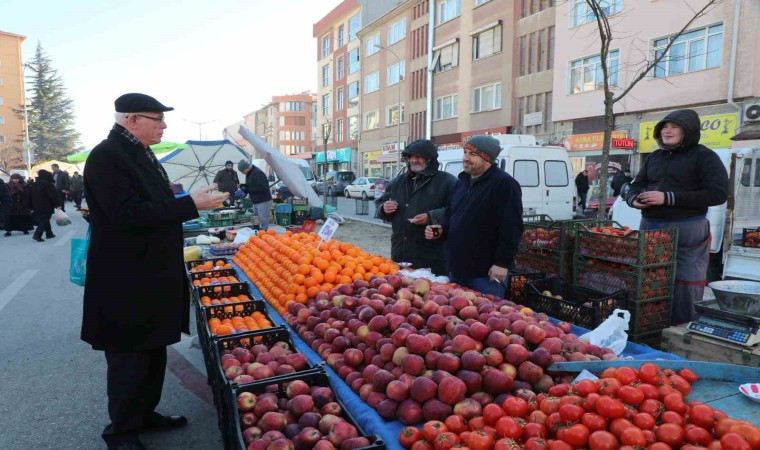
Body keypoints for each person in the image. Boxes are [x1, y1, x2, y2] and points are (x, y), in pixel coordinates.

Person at [81, 93, 228, 450]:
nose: (164, 126)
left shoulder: (138, 153)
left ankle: (145, 414)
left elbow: (153, 204)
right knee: (129, 357)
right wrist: (190, 205)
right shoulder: (107, 156)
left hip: (148, 274)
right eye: (157, 119)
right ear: (132, 120)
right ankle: (121, 433)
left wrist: (187, 201)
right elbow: (128, 214)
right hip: (126, 278)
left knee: (152, 349)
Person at [624, 109, 728, 325]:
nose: (667, 131)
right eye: (664, 126)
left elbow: (718, 193)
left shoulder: (704, 156)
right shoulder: (654, 156)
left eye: (674, 127)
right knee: (650, 279)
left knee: (685, 281)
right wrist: (633, 199)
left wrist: (667, 198)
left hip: (688, 229)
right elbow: (637, 185)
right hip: (651, 226)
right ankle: (649, 328)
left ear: (687, 131)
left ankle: (681, 330)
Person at [424, 135, 524, 298]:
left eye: (472, 154)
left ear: (487, 159)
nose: (465, 158)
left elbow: (512, 227)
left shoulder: (504, 184)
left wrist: (502, 263)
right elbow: (450, 214)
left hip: (485, 274)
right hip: (457, 269)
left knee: (486, 319)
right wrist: (441, 229)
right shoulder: (461, 183)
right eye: (465, 152)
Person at [375, 139, 457, 275]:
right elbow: (379, 204)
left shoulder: (447, 182)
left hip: (431, 256)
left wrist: (431, 217)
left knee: (430, 293)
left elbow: (458, 211)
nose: (413, 160)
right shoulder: (397, 182)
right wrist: (383, 208)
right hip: (400, 252)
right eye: (410, 157)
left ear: (429, 159)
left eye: (418, 156)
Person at [238, 159, 273, 230]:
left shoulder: (257, 173)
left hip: (263, 201)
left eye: (242, 171)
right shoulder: (249, 173)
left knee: (263, 220)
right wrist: (243, 186)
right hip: (256, 201)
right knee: (255, 219)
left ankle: (265, 234)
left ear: (246, 168)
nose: (242, 173)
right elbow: (250, 185)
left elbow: (262, 188)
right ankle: (256, 232)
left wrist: (249, 190)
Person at [29, 169, 61, 242]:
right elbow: (53, 196)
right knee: (44, 219)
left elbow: (29, 196)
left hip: (35, 205)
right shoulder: (48, 184)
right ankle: (37, 234)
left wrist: (30, 206)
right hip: (46, 205)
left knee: (44, 219)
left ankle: (49, 233)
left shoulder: (34, 184)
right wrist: (57, 204)